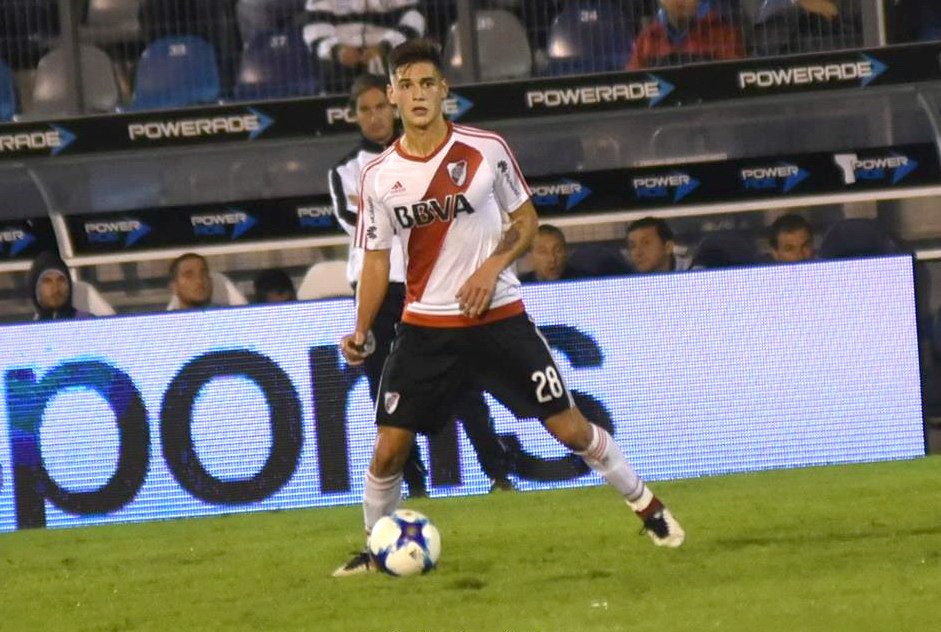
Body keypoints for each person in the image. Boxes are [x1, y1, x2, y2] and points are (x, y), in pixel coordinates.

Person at [334, 39, 684, 577]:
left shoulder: (485, 149)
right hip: (426, 325)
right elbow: (376, 259)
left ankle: (649, 507)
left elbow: (526, 222)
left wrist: (491, 267)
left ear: (444, 90)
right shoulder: (379, 175)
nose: (418, 94)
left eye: (427, 83)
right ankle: (376, 552)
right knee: (388, 450)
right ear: (393, 95)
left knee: (572, 430)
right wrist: (360, 330)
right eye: (407, 85)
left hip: (498, 317)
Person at [329, 73, 516, 500]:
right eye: (364, 110)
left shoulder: (426, 154)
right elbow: (358, 224)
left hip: (432, 284)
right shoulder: (345, 170)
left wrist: (403, 212)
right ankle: (412, 485)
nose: (375, 117)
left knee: (463, 379)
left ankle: (498, 472)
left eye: (380, 106)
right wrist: (412, 213)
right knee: (387, 391)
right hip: (379, 291)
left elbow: (433, 214)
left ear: (393, 104)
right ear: (354, 116)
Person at [303, 0, 427, 91]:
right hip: (340, 63)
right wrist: (336, 50)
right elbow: (314, 28)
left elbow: (414, 20)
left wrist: (386, 46)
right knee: (330, 68)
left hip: (388, 55)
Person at [628, 0, 744, 70]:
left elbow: (732, 78)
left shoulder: (724, 34)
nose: (681, 1)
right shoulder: (648, 38)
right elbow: (634, 79)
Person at [28, 251, 91, 321]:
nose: (56, 288)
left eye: (61, 280)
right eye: (47, 281)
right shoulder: (27, 326)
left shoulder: (88, 321)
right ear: (35, 288)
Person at [519, 224, 584, 283]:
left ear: (566, 252)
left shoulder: (583, 280)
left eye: (557, 250)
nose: (552, 259)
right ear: (530, 256)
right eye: (543, 252)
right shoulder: (520, 285)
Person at [626, 217, 691, 274]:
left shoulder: (692, 271)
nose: (638, 253)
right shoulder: (626, 275)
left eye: (646, 243)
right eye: (633, 246)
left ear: (668, 247)